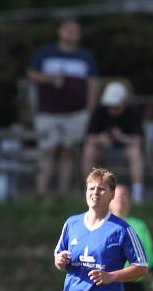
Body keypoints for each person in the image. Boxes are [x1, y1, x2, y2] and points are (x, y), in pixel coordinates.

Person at [27, 19, 99, 198]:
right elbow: (31, 75)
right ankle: (41, 193)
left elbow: (93, 82)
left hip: (76, 113)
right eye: (68, 30)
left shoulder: (85, 56)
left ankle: (62, 194)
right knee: (47, 150)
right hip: (48, 113)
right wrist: (50, 78)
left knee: (69, 152)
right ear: (59, 32)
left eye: (75, 31)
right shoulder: (45, 53)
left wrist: (90, 108)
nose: (71, 34)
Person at [82, 82, 145, 204]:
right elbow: (89, 138)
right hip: (102, 149)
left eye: (115, 106)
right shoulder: (99, 111)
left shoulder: (133, 112)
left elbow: (138, 140)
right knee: (89, 151)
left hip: (124, 150)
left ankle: (137, 192)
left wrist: (122, 138)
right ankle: (89, 189)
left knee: (135, 152)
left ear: (124, 103)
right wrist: (101, 139)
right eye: (109, 106)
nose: (111, 109)